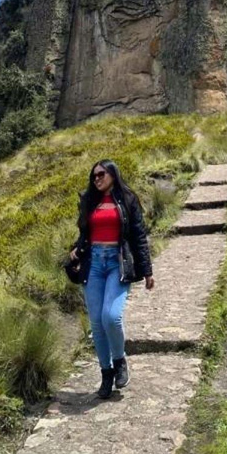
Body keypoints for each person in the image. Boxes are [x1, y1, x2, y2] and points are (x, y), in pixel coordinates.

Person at [70, 160, 155, 399]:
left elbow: (138, 236)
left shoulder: (127, 199)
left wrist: (147, 271)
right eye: (94, 176)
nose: (97, 179)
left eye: (101, 174)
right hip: (94, 263)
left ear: (113, 174)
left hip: (117, 263)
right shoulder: (89, 201)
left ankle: (119, 360)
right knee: (96, 323)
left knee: (111, 316)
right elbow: (85, 234)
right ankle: (106, 373)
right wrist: (76, 249)